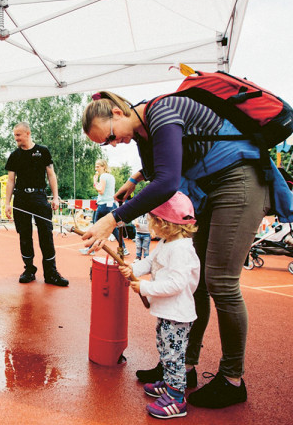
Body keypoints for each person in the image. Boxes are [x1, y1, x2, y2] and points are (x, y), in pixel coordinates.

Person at [80, 88, 291, 408]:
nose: (112, 145)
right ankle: (183, 367)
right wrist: (135, 179)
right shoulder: (141, 132)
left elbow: (166, 183)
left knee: (220, 281)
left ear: (119, 114)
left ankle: (232, 379)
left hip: (239, 181)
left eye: (109, 137)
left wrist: (113, 219)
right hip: (210, 189)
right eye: (105, 145)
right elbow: (158, 170)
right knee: (197, 283)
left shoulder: (162, 111)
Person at [118, 192, 199, 419]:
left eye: (153, 220)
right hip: (166, 311)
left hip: (177, 313)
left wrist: (144, 288)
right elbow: (150, 263)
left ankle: (177, 398)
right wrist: (133, 270)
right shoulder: (167, 243)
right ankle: (169, 383)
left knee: (174, 355)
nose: (150, 224)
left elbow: (176, 284)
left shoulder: (182, 249)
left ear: (164, 223)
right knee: (165, 349)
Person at [5, 122, 69, 287]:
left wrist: (55, 197)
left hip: (40, 196)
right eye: (15, 135)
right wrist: (7, 203)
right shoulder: (14, 156)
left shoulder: (43, 151)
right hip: (20, 198)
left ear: (28, 133)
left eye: (18, 135)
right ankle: (29, 270)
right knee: (24, 236)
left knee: (46, 235)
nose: (16, 138)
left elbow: (51, 175)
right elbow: (11, 181)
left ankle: (51, 273)